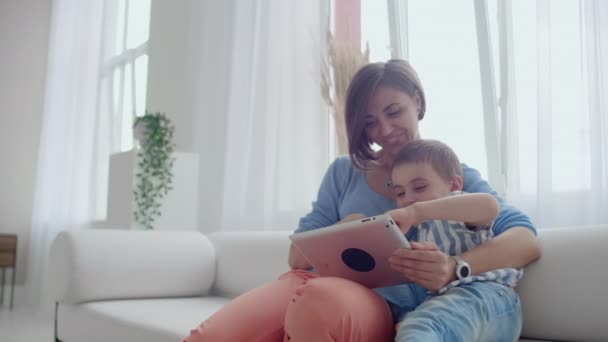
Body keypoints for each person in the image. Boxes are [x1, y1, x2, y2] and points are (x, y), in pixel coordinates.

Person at [183, 59, 541, 342]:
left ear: (417, 101)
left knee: (319, 303)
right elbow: (296, 256)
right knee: (209, 337)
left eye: (394, 111)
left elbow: (524, 240)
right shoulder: (343, 172)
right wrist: (346, 227)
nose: (384, 130)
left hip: (371, 303)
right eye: (370, 122)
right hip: (309, 282)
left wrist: (454, 266)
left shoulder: (450, 174)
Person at [385, 138, 524, 340]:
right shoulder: (421, 230)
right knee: (414, 322)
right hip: (451, 305)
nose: (407, 199)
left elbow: (490, 206)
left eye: (420, 187)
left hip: (488, 295)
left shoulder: (455, 208)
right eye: (400, 192)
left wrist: (417, 212)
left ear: (454, 185)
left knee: (421, 327)